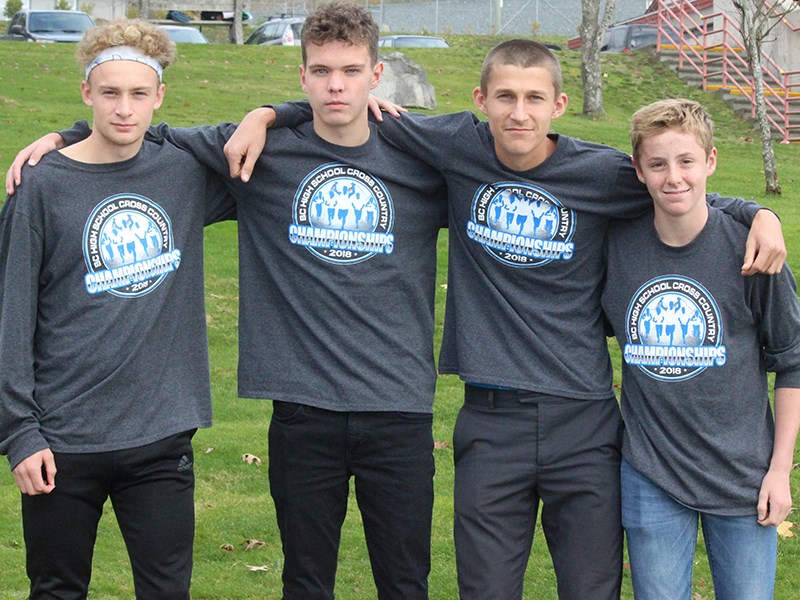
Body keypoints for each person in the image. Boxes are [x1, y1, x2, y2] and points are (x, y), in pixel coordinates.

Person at [223, 40, 786, 599]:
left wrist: (757, 213)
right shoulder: (455, 146)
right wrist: (266, 115)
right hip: (491, 420)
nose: (520, 112)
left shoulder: (600, 173)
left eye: (535, 98)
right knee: (486, 589)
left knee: (591, 589)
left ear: (559, 105)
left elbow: (679, 185)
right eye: (506, 97)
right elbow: (344, 107)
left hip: (583, 418)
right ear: (481, 100)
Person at [5, 3, 446, 598]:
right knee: (302, 580)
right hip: (278, 411)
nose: (334, 84)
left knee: (402, 581)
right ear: (302, 75)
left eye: (349, 72)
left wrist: (270, 113)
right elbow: (135, 135)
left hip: (373, 409)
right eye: (320, 71)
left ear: (376, 75)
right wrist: (65, 136)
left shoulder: (417, 154)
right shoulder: (251, 156)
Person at [0, 19, 233, 599]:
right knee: (56, 589)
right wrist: (19, 433)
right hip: (61, 440)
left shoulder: (182, 172)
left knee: (166, 590)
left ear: (159, 96)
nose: (123, 109)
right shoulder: (42, 186)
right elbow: (9, 317)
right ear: (86, 93)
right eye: (109, 93)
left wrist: (272, 113)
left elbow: (290, 145)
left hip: (159, 436)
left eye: (137, 93)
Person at [601, 98, 800, 600]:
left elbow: (792, 360)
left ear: (710, 162)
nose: (674, 177)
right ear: (638, 170)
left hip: (744, 476)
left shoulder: (752, 251)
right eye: (658, 164)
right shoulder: (615, 246)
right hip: (652, 471)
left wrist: (779, 471)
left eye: (687, 161)